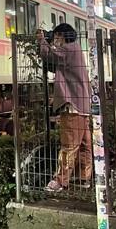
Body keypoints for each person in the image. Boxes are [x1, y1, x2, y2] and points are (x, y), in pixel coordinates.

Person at [38, 23, 93, 193]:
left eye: (56, 37)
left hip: (72, 106)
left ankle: (60, 181)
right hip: (82, 105)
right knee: (84, 144)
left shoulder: (68, 49)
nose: (55, 41)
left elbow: (48, 54)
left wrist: (41, 39)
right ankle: (84, 177)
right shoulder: (76, 49)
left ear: (62, 35)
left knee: (68, 146)